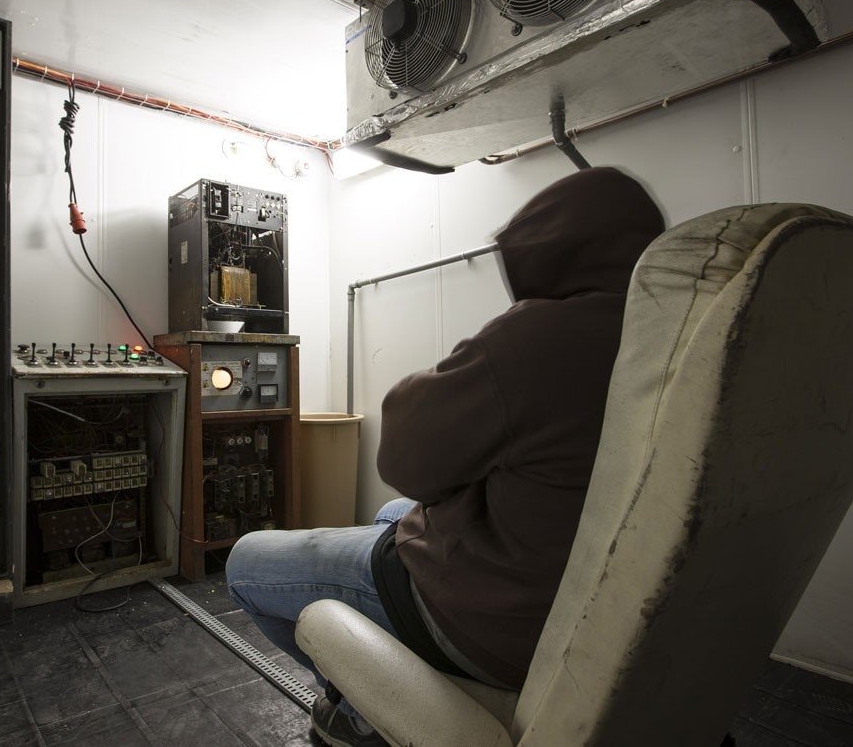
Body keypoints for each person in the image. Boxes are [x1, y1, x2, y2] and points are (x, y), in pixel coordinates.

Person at [226, 167, 665, 747]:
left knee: (245, 562)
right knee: (392, 512)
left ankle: (364, 709)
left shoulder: (541, 334)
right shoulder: (666, 335)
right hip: (591, 599)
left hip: (494, 625)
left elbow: (401, 459)